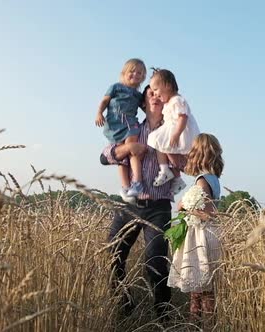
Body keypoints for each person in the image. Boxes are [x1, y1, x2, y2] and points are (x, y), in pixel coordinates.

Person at [100, 85, 184, 319]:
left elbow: (187, 162)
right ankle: (125, 304)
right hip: (129, 206)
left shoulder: (173, 129)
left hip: (158, 208)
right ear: (143, 103)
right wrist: (127, 147)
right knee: (112, 254)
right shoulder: (133, 128)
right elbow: (104, 157)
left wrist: (176, 157)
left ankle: (162, 315)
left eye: (159, 94)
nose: (155, 97)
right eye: (150, 94)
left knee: (156, 264)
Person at [167, 133, 224, 326]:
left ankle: (197, 326)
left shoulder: (202, 180)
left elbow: (208, 213)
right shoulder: (213, 178)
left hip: (201, 237)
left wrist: (184, 206)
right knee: (205, 289)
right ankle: (204, 325)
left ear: (198, 154)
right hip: (210, 234)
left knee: (199, 290)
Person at [95, 58, 147, 201]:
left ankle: (137, 182)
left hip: (130, 123)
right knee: (122, 156)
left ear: (142, 77)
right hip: (115, 125)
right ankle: (125, 186)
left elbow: (146, 109)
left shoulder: (138, 95)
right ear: (124, 73)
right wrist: (99, 112)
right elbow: (105, 101)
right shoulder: (116, 87)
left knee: (132, 150)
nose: (135, 74)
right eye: (132, 71)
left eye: (139, 73)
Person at [147, 68, 200, 195]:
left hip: (181, 130)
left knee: (159, 141)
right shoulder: (169, 102)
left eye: (156, 90)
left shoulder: (177, 100)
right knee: (161, 144)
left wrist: (176, 134)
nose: (154, 94)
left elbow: (183, 117)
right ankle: (172, 173)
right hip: (173, 129)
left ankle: (169, 170)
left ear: (168, 86)